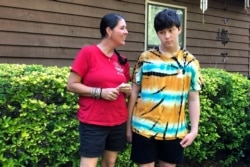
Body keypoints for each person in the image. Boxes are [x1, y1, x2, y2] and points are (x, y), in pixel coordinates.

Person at [126, 9, 203, 167]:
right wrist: (128, 127)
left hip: (174, 131)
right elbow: (134, 92)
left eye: (171, 30)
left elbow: (194, 98)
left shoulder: (191, 62)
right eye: (162, 32)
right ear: (157, 34)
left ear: (179, 29)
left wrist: (194, 130)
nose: (167, 36)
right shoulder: (145, 58)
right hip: (143, 127)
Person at [67, 13, 131, 167]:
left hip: (118, 121)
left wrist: (127, 91)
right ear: (109, 31)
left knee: (110, 162)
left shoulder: (122, 60)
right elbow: (71, 85)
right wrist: (100, 93)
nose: (126, 32)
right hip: (93, 121)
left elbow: (126, 89)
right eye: (122, 28)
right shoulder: (88, 53)